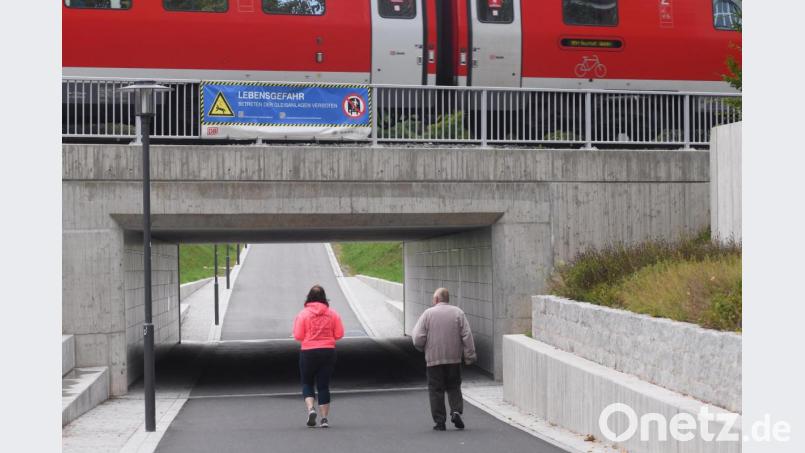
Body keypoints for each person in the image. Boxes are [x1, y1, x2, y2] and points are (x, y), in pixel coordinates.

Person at [412, 287, 477, 431]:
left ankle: (440, 422)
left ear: (436, 299)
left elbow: (417, 337)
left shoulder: (428, 314)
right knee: (454, 386)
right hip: (454, 359)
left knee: (436, 390)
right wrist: (469, 356)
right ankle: (455, 411)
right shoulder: (458, 313)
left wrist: (422, 347)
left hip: (434, 360)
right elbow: (467, 335)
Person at [293, 285, 345, 428]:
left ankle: (311, 409)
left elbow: (298, 335)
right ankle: (324, 419)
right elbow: (339, 334)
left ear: (309, 297)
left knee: (307, 382)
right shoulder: (333, 314)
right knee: (323, 386)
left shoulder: (303, 314)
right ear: (324, 297)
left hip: (308, 352)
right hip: (328, 351)